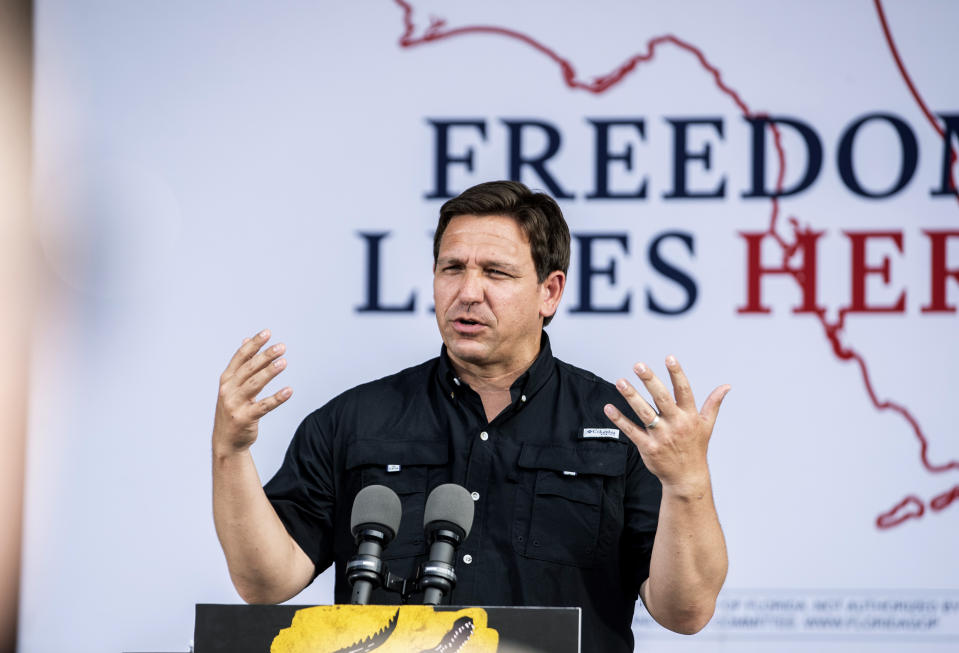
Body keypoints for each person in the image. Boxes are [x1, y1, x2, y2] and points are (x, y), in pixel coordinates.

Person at [212, 180, 729, 653]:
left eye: (496, 273)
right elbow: (264, 582)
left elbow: (685, 612)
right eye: (452, 268)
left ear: (550, 292)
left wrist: (688, 486)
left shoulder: (622, 430)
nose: (468, 292)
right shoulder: (352, 421)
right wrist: (231, 453)